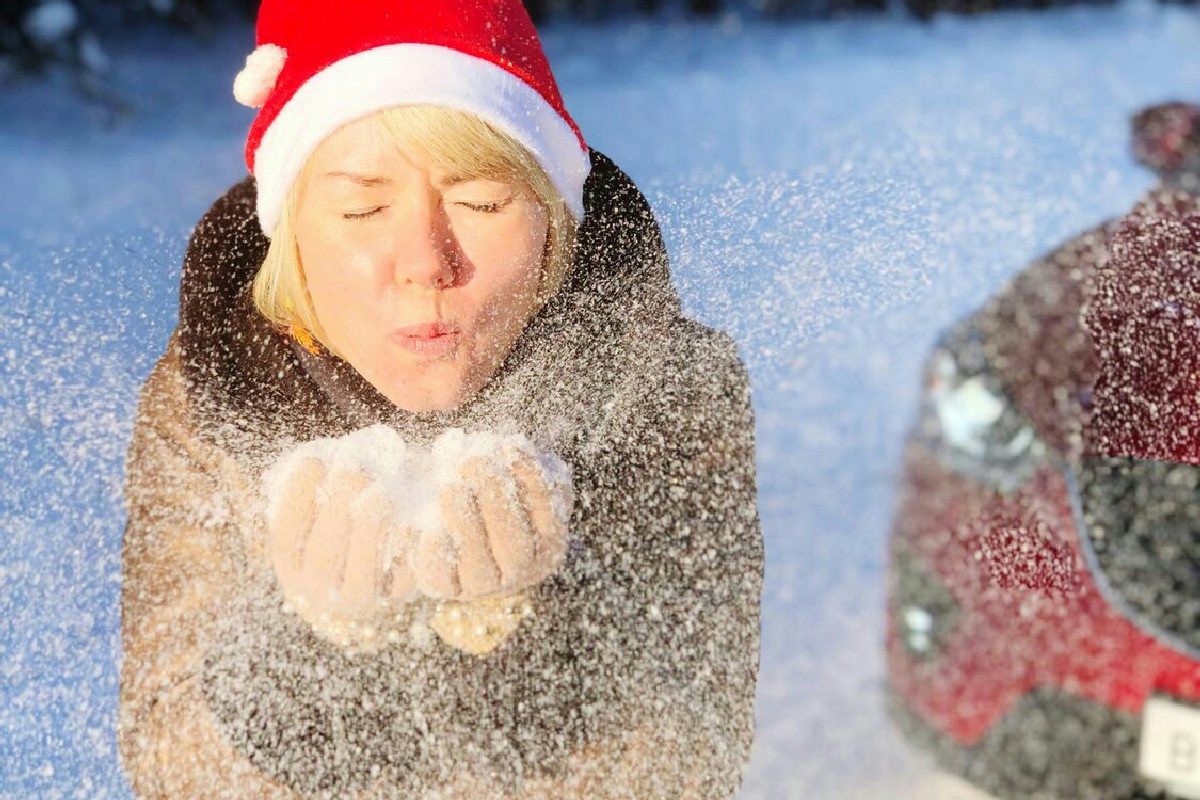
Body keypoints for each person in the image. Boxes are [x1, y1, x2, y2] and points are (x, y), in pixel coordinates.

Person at [116, 0, 764, 798]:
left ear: (553, 219)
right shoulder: (210, 403)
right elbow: (170, 759)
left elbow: (700, 759)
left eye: (482, 202)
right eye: (362, 208)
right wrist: (314, 661)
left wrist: (533, 650)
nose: (425, 261)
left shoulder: (666, 389)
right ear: (293, 237)